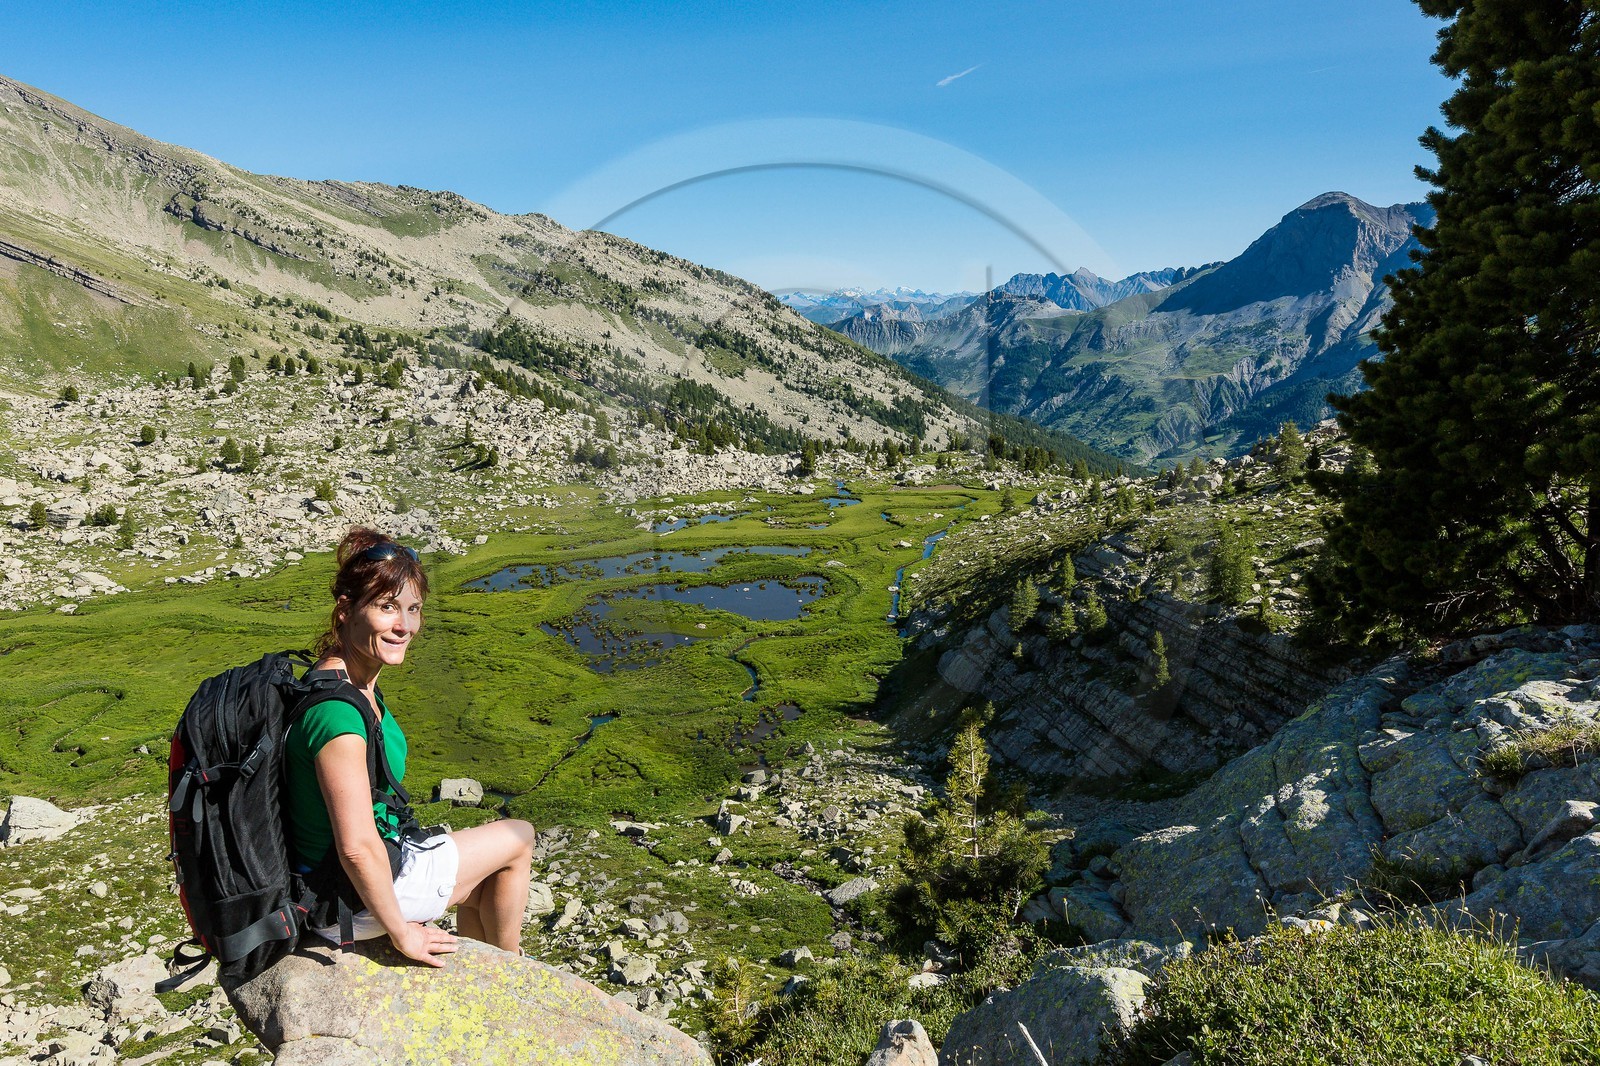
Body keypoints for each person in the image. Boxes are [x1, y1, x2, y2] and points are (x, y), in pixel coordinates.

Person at [284, 527, 536, 966]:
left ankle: (489, 973)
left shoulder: (344, 680)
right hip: (347, 900)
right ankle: (514, 972)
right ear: (346, 609)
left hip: (351, 878)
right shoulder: (338, 716)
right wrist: (403, 934)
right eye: (387, 607)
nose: (404, 625)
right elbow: (357, 847)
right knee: (518, 837)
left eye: (413, 609)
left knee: (482, 886)